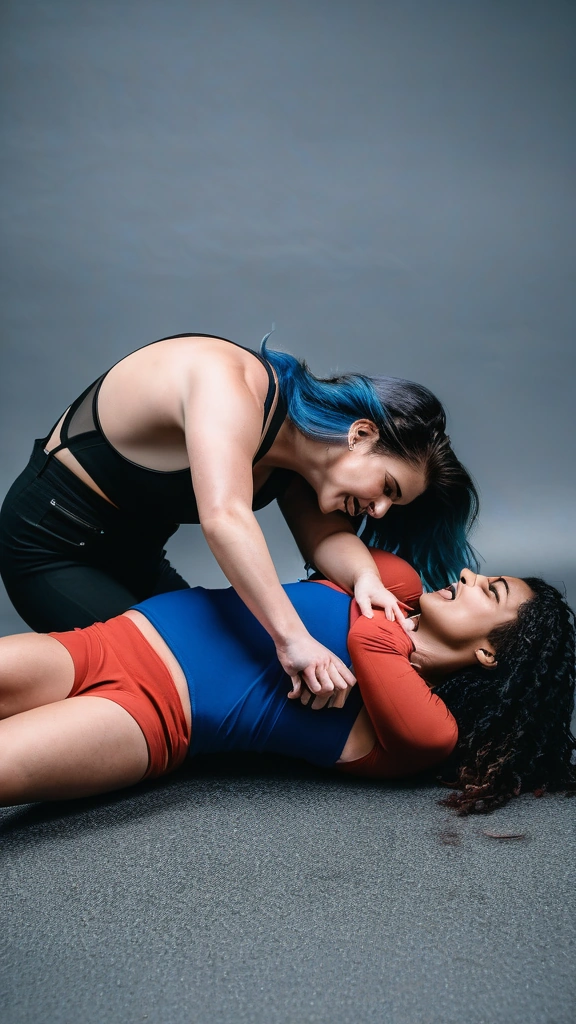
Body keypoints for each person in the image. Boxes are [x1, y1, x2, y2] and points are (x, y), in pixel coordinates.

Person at [0, 332, 478, 701]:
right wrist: (293, 639)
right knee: (158, 679)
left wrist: (366, 578)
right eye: (388, 488)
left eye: (392, 505)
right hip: (53, 546)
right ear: (361, 435)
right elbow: (225, 516)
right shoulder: (229, 385)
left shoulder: (302, 462)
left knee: (219, 671)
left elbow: (324, 538)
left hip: (136, 558)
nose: (379, 510)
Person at [0, 551, 573, 815]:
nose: (469, 574)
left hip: (149, 715)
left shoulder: (428, 730)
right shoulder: (391, 587)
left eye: (490, 591)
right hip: (107, 641)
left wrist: (379, 624)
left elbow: (372, 646)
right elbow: (370, 568)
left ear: (490, 653)